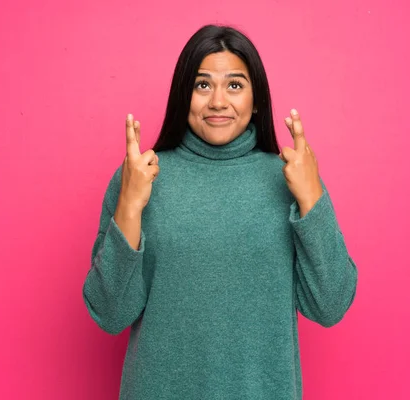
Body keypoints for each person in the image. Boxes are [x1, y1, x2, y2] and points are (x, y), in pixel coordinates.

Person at [82, 24, 358, 400]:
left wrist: (312, 200)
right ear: (184, 94)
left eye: (234, 85)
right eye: (202, 85)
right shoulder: (139, 177)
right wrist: (129, 206)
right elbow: (109, 312)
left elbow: (330, 304)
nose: (217, 102)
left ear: (256, 98)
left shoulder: (291, 178)